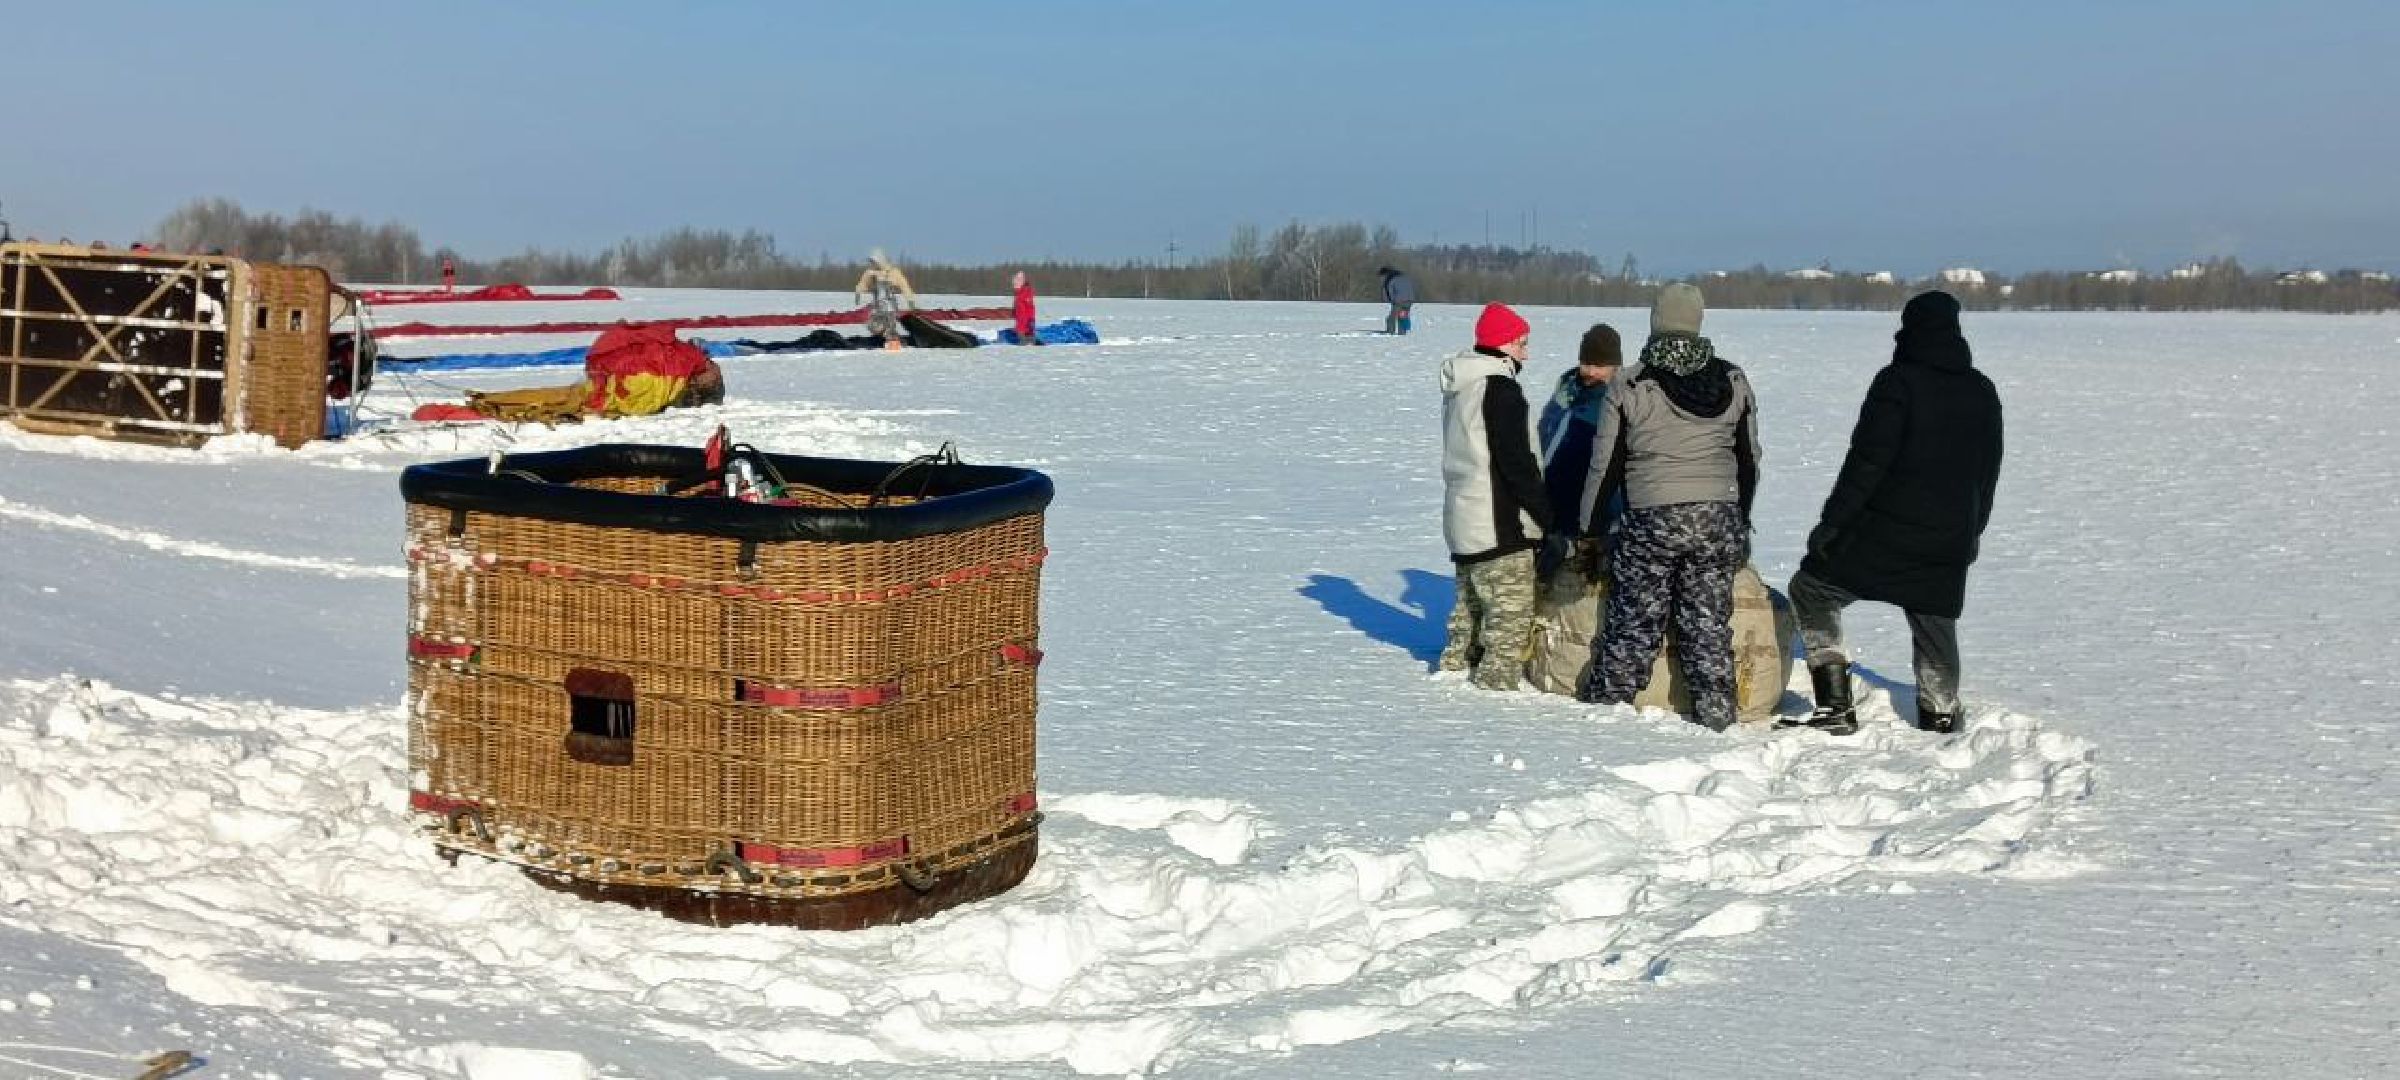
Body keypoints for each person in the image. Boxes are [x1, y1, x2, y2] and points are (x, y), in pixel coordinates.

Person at [1787, 290, 2002, 736]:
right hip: (1949, 537)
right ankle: (1940, 716)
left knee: (1811, 589)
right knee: (1934, 622)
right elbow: (1988, 473)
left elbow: (1866, 464)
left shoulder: (1896, 383)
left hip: (1885, 532)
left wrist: (1831, 525)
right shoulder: (1982, 390)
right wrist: (1971, 533)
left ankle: (1835, 706)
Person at [1575, 284, 1761, 731]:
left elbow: (1605, 466)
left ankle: (1606, 714)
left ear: (1655, 322)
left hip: (1651, 518)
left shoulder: (1630, 383)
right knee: (1708, 624)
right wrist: (1740, 518)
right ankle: (1718, 717)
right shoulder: (1734, 380)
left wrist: (1589, 530)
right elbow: (1749, 460)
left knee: (1635, 622)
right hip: (1717, 517)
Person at [1437, 303, 1550, 691]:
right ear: (1503, 345)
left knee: (1468, 614)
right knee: (1508, 623)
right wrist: (1546, 516)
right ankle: (1493, 696)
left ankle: (1452, 671)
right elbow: (1516, 463)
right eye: (1522, 344)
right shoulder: (1501, 391)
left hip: (1464, 519)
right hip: (1498, 524)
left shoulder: (1461, 387)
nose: (1526, 354)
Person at [1536, 323, 1625, 577]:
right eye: (1586, 363)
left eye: (1599, 365)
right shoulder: (1566, 390)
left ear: (1615, 367)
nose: (1591, 372)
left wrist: (1611, 530)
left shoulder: (1620, 401)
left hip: (1592, 527)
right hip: (1550, 517)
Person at [853, 250, 919, 350]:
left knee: (889, 327)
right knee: (873, 325)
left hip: (890, 305)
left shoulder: (894, 272)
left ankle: (895, 344)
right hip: (877, 305)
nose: (872, 264)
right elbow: (863, 283)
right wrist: (858, 292)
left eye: (874, 261)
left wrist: (910, 300)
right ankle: (885, 339)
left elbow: (905, 286)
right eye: (871, 262)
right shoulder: (870, 273)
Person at [1379, 266, 1417, 335]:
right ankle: (1402, 332)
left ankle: (1390, 332)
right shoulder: (1405, 278)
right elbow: (1411, 288)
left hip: (1399, 301)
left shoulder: (1390, 280)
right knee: (1402, 316)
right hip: (1409, 300)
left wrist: (1391, 300)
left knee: (1391, 318)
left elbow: (1389, 292)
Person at [1011, 271, 1041, 345]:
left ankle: (1030, 342)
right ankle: (1026, 342)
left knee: (1026, 332)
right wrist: (1014, 313)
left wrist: (1031, 318)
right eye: (1014, 284)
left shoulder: (1026, 292)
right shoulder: (1018, 294)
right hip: (1020, 318)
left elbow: (1030, 307)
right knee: (1021, 331)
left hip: (1026, 319)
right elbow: (1017, 306)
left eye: (1016, 284)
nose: (1014, 286)